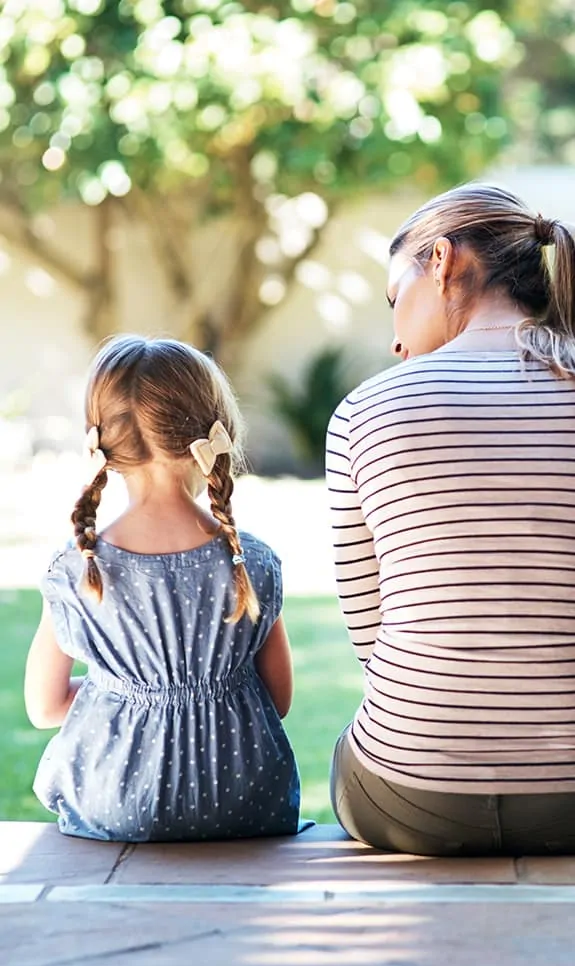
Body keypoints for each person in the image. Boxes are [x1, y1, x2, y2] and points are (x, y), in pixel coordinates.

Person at [326, 182, 575, 856]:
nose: (394, 339)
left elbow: (371, 634)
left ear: (440, 261)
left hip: (410, 798)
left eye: (392, 298)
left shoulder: (363, 412)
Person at [25, 335, 300, 842]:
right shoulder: (252, 562)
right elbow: (277, 699)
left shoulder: (76, 569)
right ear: (215, 433)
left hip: (116, 805)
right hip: (244, 802)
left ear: (101, 443)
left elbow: (44, 709)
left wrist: (126, 690)